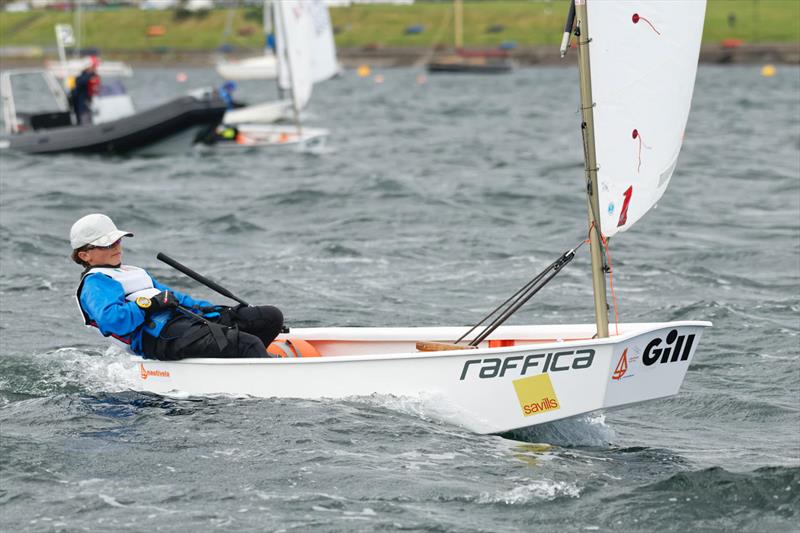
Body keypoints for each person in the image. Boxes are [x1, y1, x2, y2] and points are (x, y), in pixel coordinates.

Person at [70, 213, 284, 360]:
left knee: (269, 317)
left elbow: (176, 299)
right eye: (108, 244)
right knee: (248, 343)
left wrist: (215, 311)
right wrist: (149, 305)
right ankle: (253, 361)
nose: (117, 247)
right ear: (84, 255)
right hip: (158, 339)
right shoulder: (95, 283)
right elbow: (113, 321)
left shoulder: (132, 271)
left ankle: (240, 361)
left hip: (183, 323)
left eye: (117, 241)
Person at [70, 56, 101, 125]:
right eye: (93, 67)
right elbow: (81, 82)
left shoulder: (92, 76)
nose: (95, 68)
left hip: (89, 107)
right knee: (85, 123)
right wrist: (91, 74)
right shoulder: (81, 78)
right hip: (82, 109)